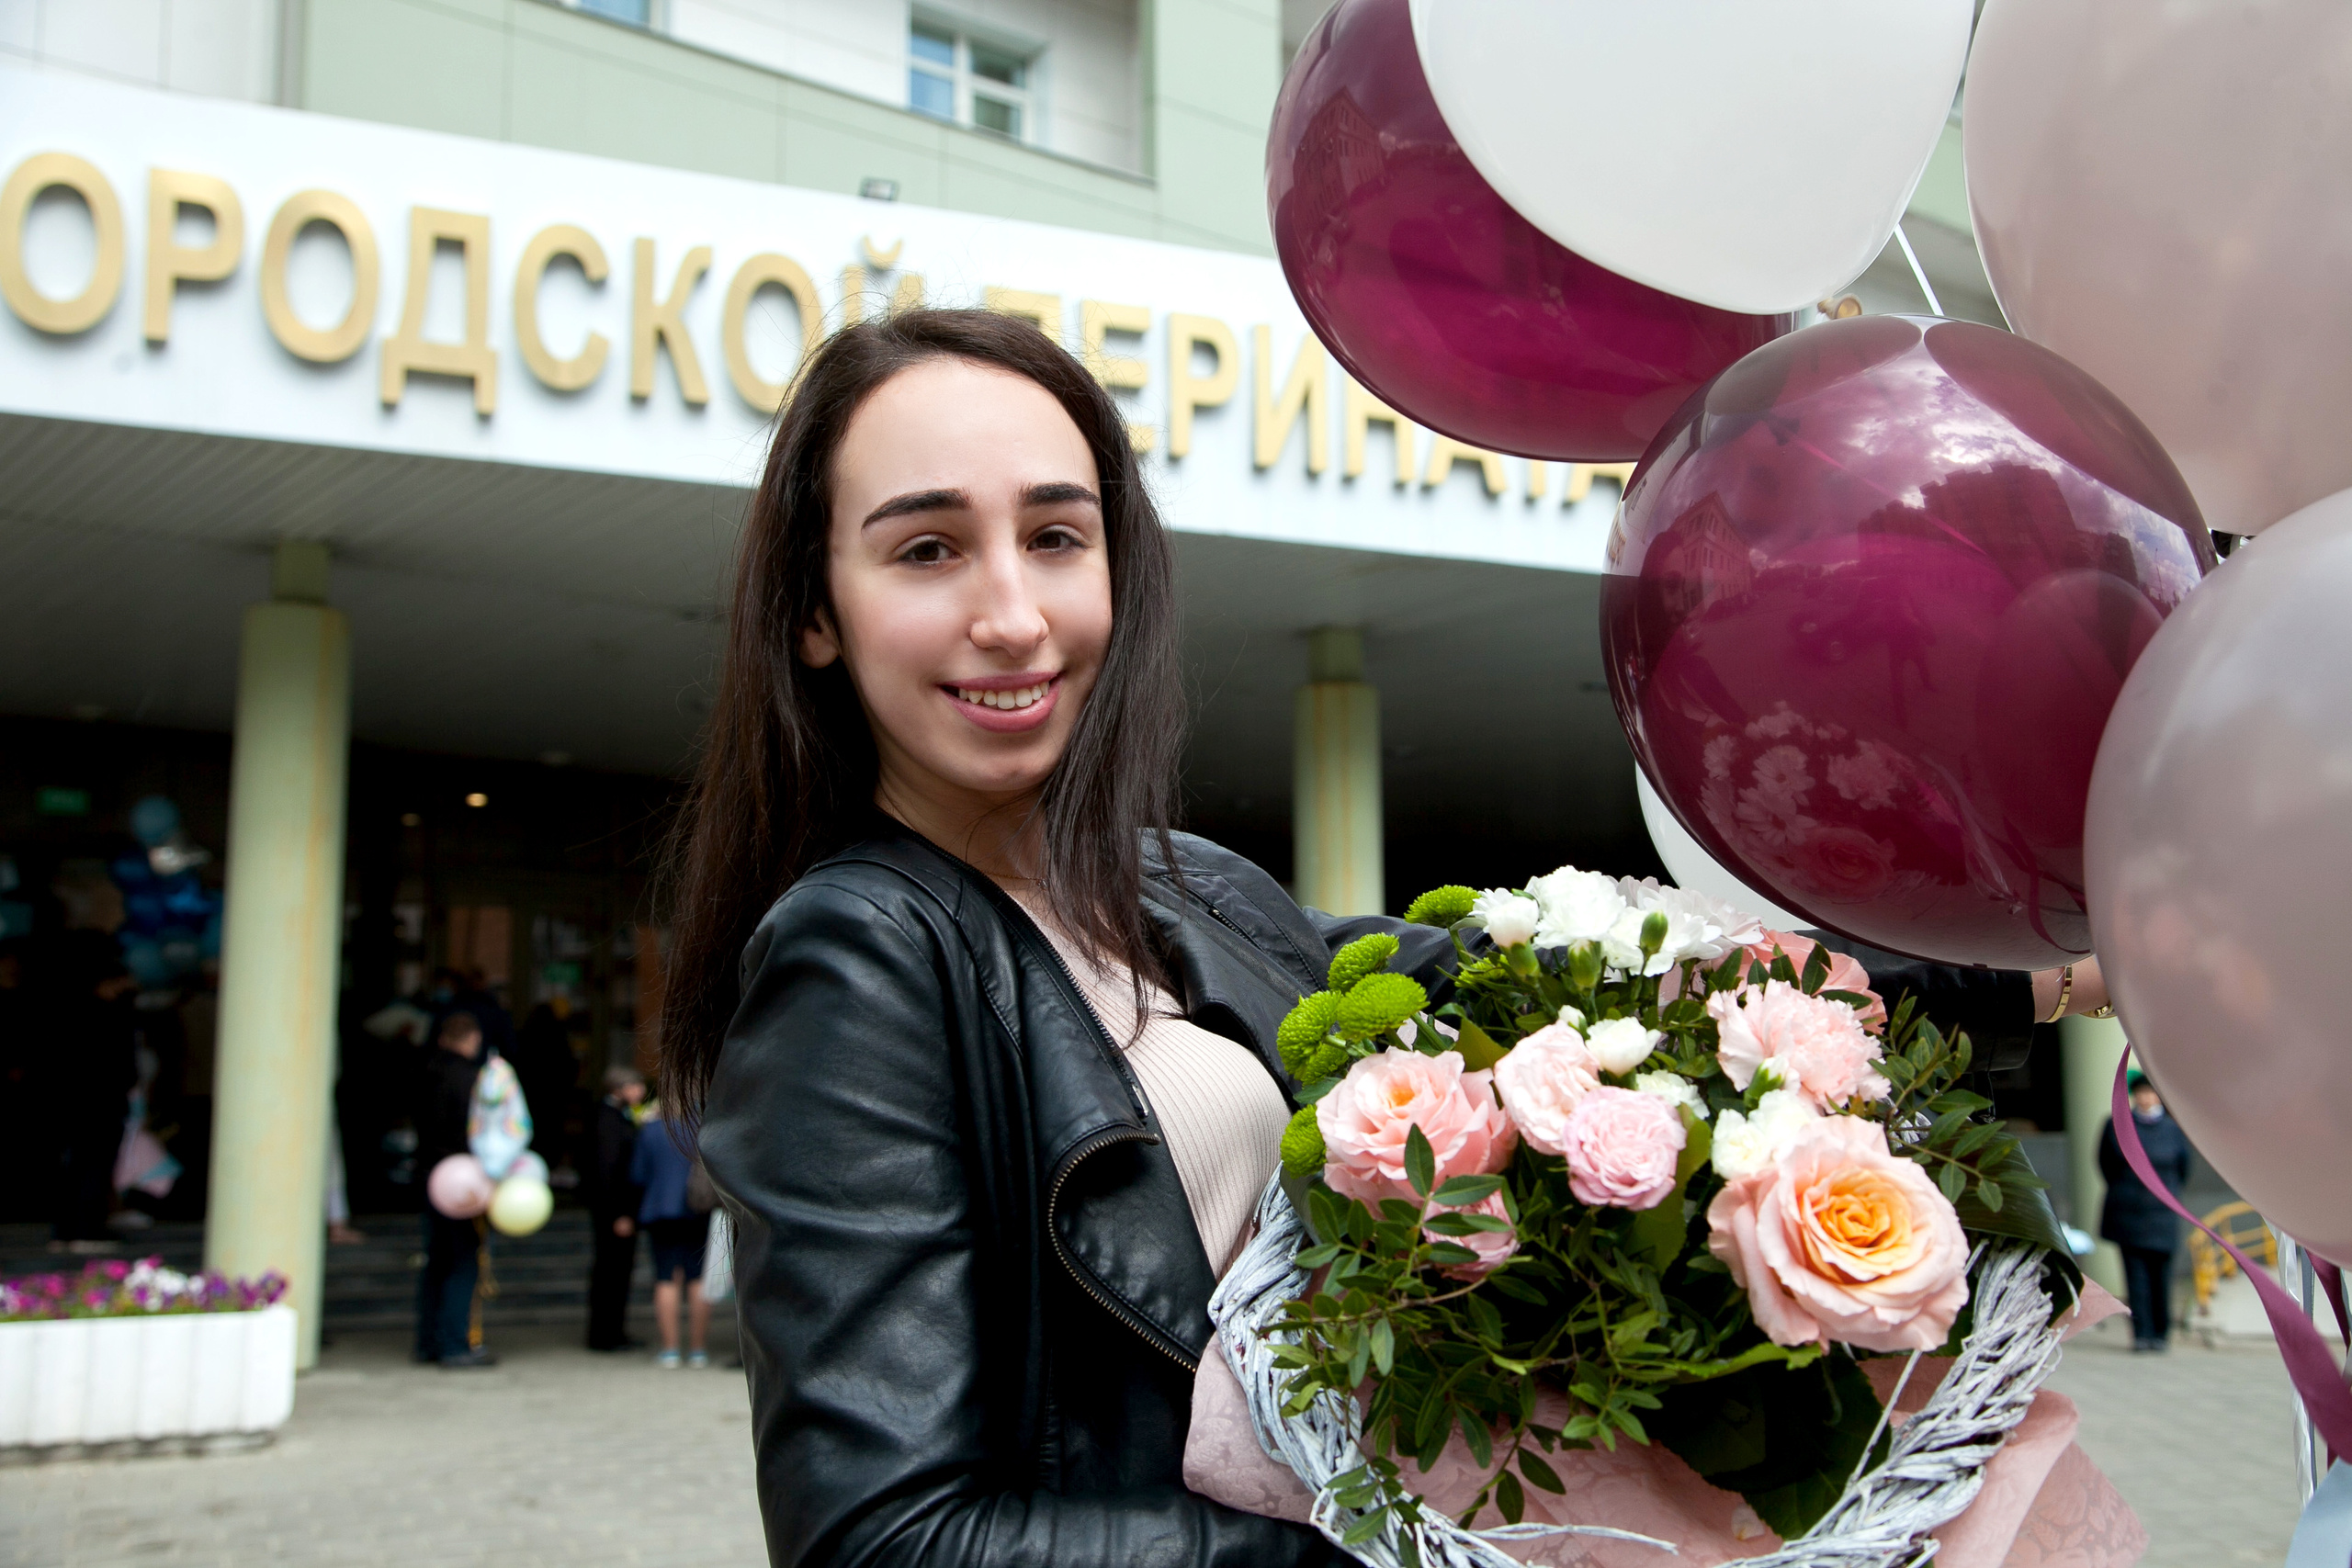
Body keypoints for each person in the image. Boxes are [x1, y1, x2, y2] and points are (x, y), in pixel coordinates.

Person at [657, 310, 2083, 1568]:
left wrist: (2005, 968)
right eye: (927, 548)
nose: (1014, 614)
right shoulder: (860, 955)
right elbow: (885, 1536)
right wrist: (1404, 1555)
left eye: (1055, 536)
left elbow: (1558, 983)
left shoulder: (1177, 887)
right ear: (816, 613)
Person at [413, 1010, 496, 1369]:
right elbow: (479, 1132)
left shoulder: (426, 1073)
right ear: (473, 1039)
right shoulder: (473, 1079)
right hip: (462, 1181)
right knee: (463, 1262)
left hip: (429, 1177)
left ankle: (428, 1343)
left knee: (436, 1262)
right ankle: (454, 1345)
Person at [2099, 1069, 2190, 1352]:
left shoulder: (2173, 1129)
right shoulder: (2117, 1124)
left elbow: (2183, 1169)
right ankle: (2141, 1334)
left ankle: (2161, 1333)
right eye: (2140, 1093)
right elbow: (2106, 1164)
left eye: (2150, 1093)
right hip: (2129, 1213)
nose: (2146, 1098)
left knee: (2162, 1276)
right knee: (2135, 1278)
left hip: (2163, 1213)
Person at [629, 1101, 711, 1369]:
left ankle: (670, 1350)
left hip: (660, 1209)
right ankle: (698, 1351)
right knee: (698, 1278)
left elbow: (637, 1174)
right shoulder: (703, 1126)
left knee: (666, 1277)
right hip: (698, 1209)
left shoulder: (651, 1129)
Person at [585, 1065, 646, 1352]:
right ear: (619, 1089)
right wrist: (619, 1213)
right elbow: (608, 1171)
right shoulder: (609, 1119)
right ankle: (606, 1335)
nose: (641, 1091)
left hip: (614, 1209)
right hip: (614, 1211)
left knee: (616, 1272)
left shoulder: (614, 1115)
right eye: (635, 1085)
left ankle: (613, 1332)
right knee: (612, 1272)